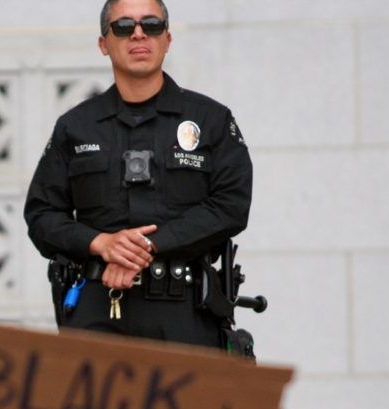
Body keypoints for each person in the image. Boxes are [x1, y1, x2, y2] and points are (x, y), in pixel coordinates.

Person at [24, 0, 252, 348]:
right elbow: (41, 215)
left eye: (152, 25)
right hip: (97, 312)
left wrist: (146, 247)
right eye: (124, 27)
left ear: (168, 38)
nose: (139, 33)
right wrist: (101, 244)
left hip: (185, 315)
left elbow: (231, 206)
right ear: (104, 43)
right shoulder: (76, 126)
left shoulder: (211, 120)